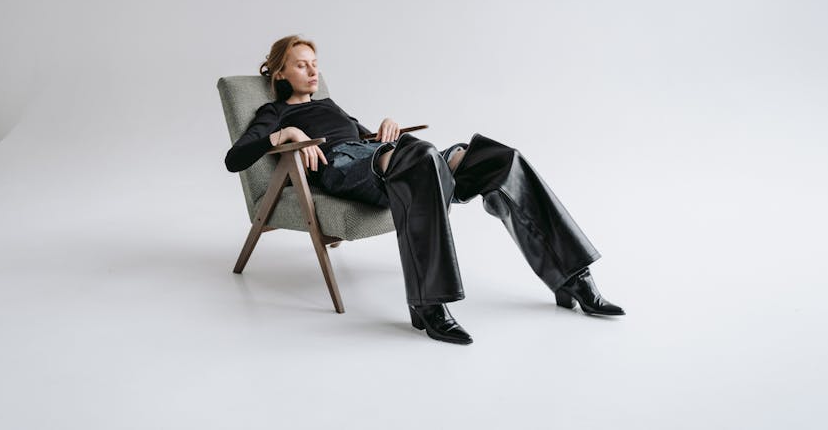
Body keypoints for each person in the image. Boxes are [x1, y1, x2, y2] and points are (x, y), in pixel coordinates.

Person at [224, 34, 625, 345]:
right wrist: (287, 134)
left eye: (315, 63)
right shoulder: (274, 113)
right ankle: (429, 304)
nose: (313, 71)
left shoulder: (330, 105)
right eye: (301, 65)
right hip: (343, 167)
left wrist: (384, 129)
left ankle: (571, 277)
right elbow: (235, 158)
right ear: (280, 74)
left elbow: (363, 137)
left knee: (500, 159)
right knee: (421, 155)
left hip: (379, 157)